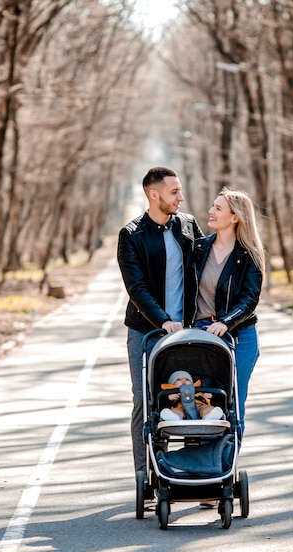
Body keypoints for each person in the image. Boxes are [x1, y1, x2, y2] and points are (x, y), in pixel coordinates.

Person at [117, 166, 204, 480]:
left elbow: (207, 268)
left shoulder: (189, 226)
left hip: (188, 332)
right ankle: (146, 470)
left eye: (180, 191)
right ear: (154, 195)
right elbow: (136, 288)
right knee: (144, 399)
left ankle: (198, 467)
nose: (181, 197)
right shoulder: (131, 234)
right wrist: (164, 321)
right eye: (174, 192)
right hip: (145, 330)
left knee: (192, 396)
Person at [192, 187, 265, 433]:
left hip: (240, 335)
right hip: (202, 333)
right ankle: (202, 462)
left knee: (233, 402)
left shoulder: (249, 256)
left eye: (218, 208)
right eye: (212, 206)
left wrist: (226, 322)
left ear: (235, 217)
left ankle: (227, 464)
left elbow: (249, 299)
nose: (210, 211)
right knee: (205, 398)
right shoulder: (199, 249)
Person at [159, 371, 224, 421]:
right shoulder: (170, 393)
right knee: (177, 411)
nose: (183, 381)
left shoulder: (199, 390)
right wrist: (167, 398)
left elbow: (218, 399)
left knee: (206, 408)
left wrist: (211, 396)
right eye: (178, 379)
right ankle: (173, 417)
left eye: (187, 379)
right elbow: (161, 404)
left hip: (199, 405)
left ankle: (211, 415)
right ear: (172, 384)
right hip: (180, 406)